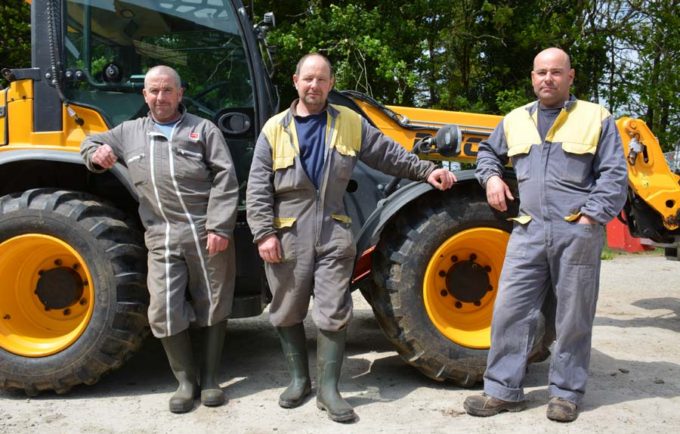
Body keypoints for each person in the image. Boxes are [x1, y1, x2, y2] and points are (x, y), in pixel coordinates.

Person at [246, 53, 456, 423]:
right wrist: (264, 233)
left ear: (331, 83)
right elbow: (258, 188)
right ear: (295, 81)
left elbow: (389, 155)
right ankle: (299, 381)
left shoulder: (349, 123)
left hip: (333, 230)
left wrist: (427, 171)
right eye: (308, 79)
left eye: (321, 79)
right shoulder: (273, 129)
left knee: (333, 311)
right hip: (288, 234)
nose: (314, 85)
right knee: (287, 310)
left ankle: (329, 389)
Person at [464, 47, 628, 422]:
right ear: (532, 77)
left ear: (570, 77)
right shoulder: (515, 119)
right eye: (541, 72)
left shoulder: (596, 117)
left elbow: (614, 175)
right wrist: (490, 178)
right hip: (528, 229)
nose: (547, 79)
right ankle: (502, 391)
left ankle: (566, 393)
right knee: (510, 310)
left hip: (576, 230)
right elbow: (487, 152)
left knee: (573, 316)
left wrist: (592, 217)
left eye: (556, 72)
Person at [81, 65, 239, 414]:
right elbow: (90, 142)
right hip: (161, 231)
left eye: (167, 90)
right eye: (153, 91)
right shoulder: (128, 132)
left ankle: (211, 379)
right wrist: (95, 154)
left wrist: (219, 227)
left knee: (212, 300)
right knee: (163, 307)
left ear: (180, 93)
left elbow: (226, 179)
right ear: (144, 95)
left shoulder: (203, 129)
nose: (160, 97)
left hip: (203, 229)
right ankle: (185, 382)